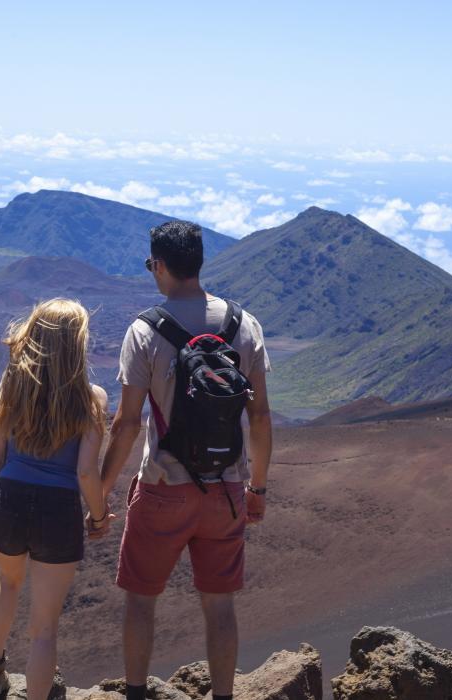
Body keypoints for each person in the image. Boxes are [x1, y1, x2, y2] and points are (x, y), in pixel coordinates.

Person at [100, 220, 272, 700]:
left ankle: (135, 692)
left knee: (140, 600)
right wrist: (256, 488)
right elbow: (259, 418)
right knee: (219, 607)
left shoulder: (144, 331)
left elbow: (127, 424)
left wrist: (97, 490)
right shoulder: (244, 323)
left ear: (158, 265)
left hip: (161, 488)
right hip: (227, 490)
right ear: (199, 262)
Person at [0, 298, 114, 700]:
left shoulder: (11, 387)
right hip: (57, 513)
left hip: (6, 505)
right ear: (77, 343)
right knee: (45, 628)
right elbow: (85, 471)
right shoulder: (92, 398)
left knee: (8, 581)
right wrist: (99, 516)